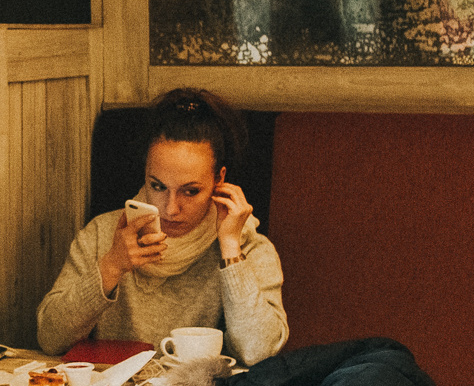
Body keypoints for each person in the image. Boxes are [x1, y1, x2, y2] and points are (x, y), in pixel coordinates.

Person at [36, 87, 288, 365]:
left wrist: (230, 248)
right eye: (157, 186)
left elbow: (258, 352)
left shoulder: (249, 246)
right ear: (145, 173)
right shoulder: (102, 234)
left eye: (190, 191)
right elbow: (50, 338)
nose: (170, 208)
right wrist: (111, 266)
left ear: (219, 181)